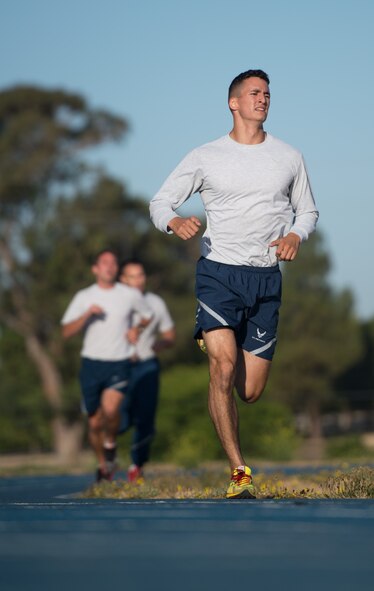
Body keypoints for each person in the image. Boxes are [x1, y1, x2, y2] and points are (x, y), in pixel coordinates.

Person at [150, 69, 319, 499]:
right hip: (218, 274)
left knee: (250, 391)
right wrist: (173, 220)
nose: (262, 98)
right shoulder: (206, 156)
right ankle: (239, 471)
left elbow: (308, 212)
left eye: (266, 93)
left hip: (265, 279)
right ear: (234, 102)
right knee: (222, 369)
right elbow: (160, 201)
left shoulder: (289, 156)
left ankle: (216, 341)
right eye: (254, 93)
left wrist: (296, 235)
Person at [61, 249, 152, 482]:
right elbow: (66, 331)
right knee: (93, 422)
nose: (109, 267)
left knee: (111, 410)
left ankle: (110, 442)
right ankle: (104, 466)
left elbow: (147, 315)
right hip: (91, 363)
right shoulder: (84, 296)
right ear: (95, 269)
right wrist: (87, 316)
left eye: (113, 263)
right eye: (104, 263)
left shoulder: (128, 294)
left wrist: (136, 329)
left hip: (119, 361)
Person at [118, 259, 175, 482]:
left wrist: (160, 344)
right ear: (123, 279)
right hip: (119, 366)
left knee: (146, 420)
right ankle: (107, 459)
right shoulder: (113, 301)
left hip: (147, 364)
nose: (138, 280)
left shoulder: (155, 303)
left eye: (141, 275)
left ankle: (137, 466)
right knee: (119, 419)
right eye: (132, 276)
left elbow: (170, 335)